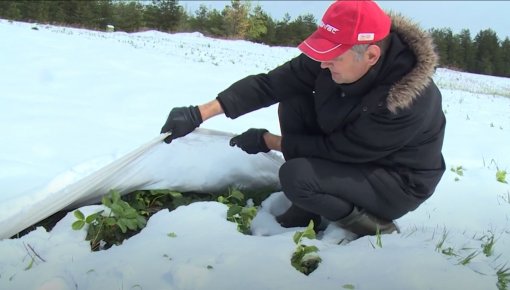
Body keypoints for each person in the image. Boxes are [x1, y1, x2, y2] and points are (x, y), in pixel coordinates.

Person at [160, 0, 446, 237]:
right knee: (293, 99)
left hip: (395, 180)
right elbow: (271, 84)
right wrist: (199, 113)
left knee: (295, 176)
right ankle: (308, 205)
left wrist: (267, 140)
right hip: (350, 144)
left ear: (370, 55)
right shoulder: (342, 52)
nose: (322, 63)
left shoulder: (407, 99)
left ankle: (373, 226)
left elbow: (340, 151)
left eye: (332, 57)